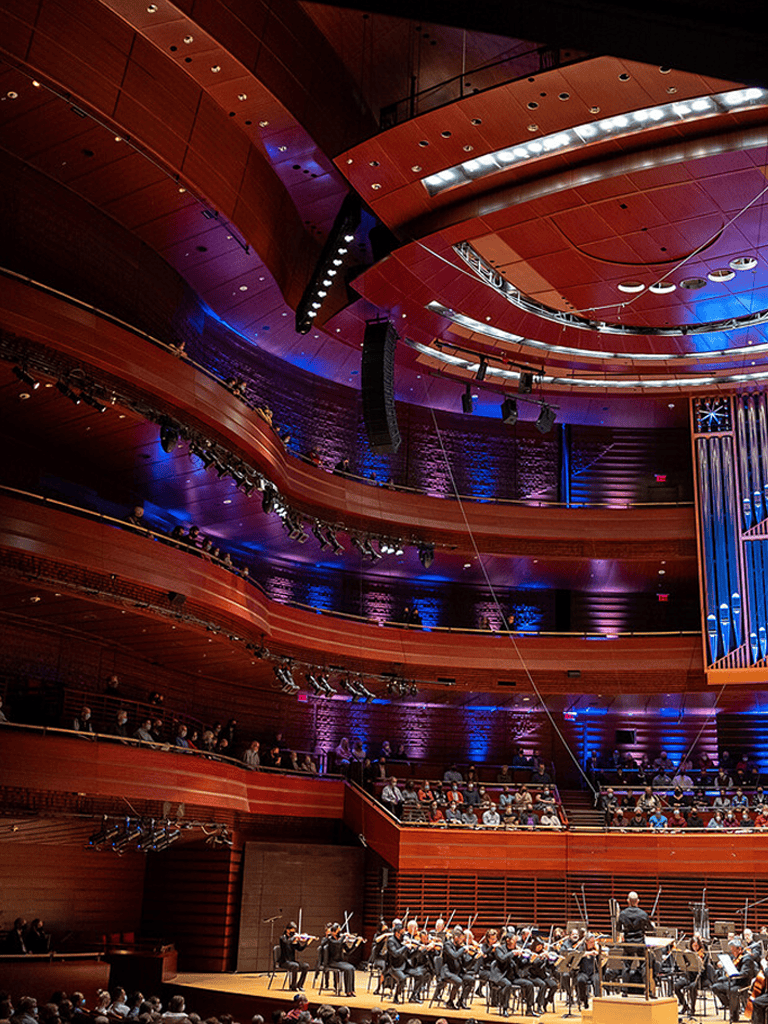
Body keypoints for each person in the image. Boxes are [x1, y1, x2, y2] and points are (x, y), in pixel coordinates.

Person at [618, 892, 653, 995]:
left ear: (628, 901)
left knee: (626, 966)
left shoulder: (623, 914)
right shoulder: (643, 914)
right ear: (638, 901)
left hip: (628, 943)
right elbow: (650, 928)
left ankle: (624, 991)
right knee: (644, 965)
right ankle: (647, 990)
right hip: (640, 943)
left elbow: (618, 928)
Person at [279, 922, 311, 990]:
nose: (293, 933)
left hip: (292, 961)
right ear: (287, 930)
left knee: (306, 966)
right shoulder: (282, 938)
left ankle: (299, 985)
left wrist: (306, 943)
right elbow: (287, 942)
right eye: (292, 931)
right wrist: (294, 938)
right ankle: (293, 986)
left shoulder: (293, 939)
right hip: (284, 961)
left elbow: (300, 949)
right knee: (295, 966)